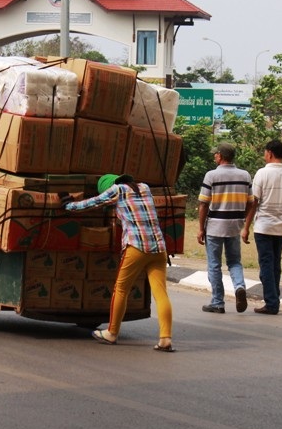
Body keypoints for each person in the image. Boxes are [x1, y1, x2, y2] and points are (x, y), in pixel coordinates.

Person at [62, 174, 174, 351]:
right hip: (159, 248)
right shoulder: (144, 187)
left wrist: (68, 205)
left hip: (136, 247)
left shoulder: (117, 190)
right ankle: (165, 338)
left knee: (121, 289)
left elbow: (92, 203)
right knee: (161, 293)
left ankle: (111, 332)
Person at [241, 140, 282, 315]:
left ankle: (272, 302)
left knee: (266, 265)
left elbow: (254, 203)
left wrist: (246, 226)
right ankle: (273, 298)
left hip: (264, 226)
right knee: (275, 264)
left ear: (269, 153)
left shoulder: (262, 173)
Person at [197, 142, 255, 314]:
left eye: (216, 154)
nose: (215, 156)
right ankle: (239, 286)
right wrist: (242, 218)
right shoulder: (245, 175)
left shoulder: (211, 176)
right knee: (234, 261)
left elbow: (203, 204)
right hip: (235, 225)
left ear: (220, 156)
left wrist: (201, 228)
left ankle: (217, 302)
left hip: (215, 226)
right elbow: (251, 202)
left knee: (214, 264)